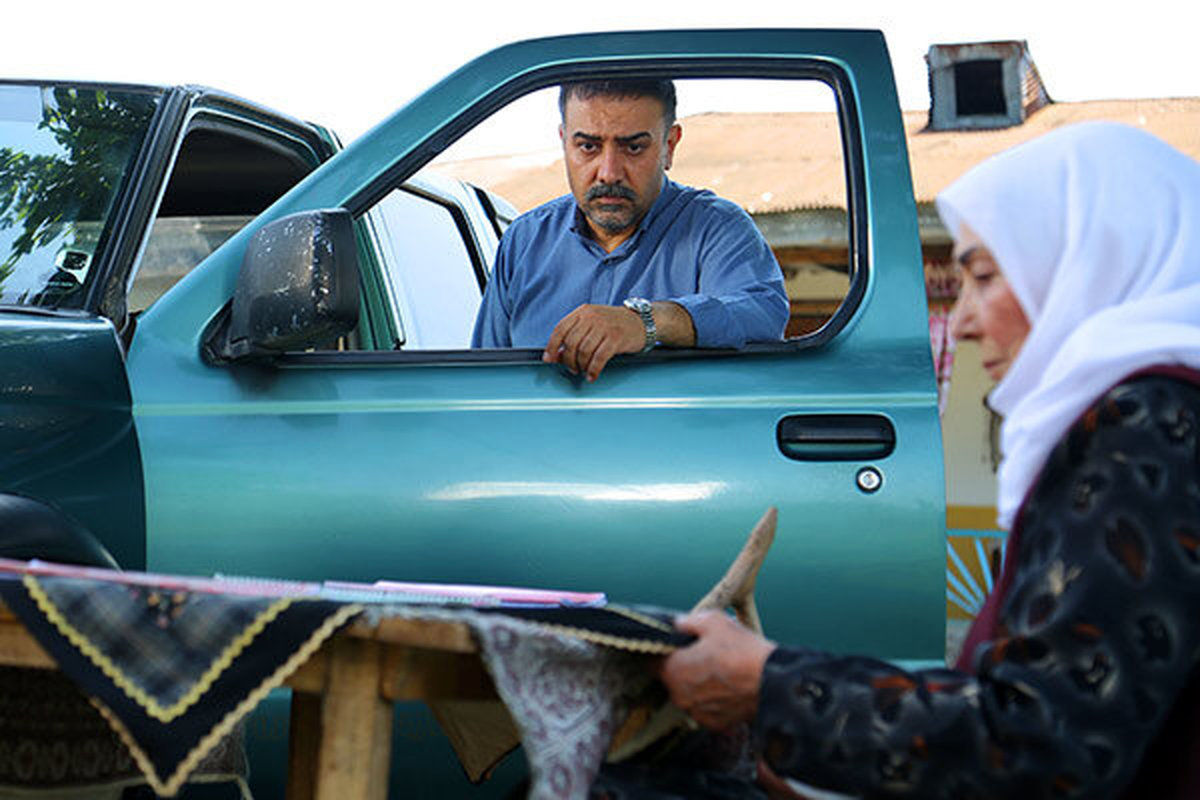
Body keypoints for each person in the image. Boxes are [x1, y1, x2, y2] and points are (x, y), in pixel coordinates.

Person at [639, 122, 1200, 799]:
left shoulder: (1150, 427)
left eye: (986, 278)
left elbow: (1043, 745)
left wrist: (771, 684)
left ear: (1093, 263)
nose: (960, 323)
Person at [470, 79, 789, 381]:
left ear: (670, 146)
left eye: (633, 148)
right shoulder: (523, 241)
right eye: (588, 146)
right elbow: (482, 381)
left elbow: (763, 313)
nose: (609, 173)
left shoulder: (718, 229)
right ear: (564, 142)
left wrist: (649, 322)